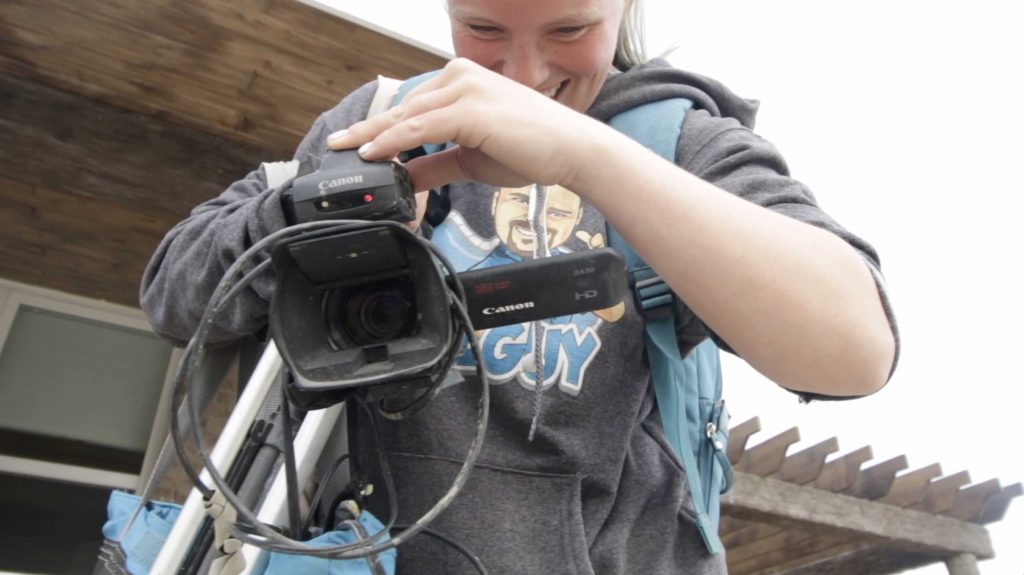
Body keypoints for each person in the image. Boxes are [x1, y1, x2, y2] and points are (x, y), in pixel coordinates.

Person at [141, 0, 899, 572]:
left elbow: (856, 350)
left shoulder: (680, 144)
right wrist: (307, 218)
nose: (526, 73)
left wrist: (585, 156)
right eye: (485, 29)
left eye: (569, 30)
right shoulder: (383, 119)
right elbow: (175, 294)